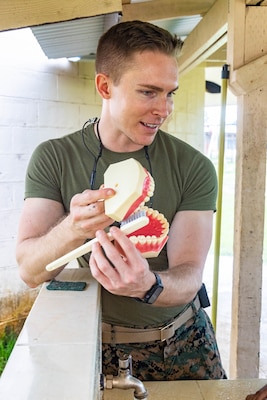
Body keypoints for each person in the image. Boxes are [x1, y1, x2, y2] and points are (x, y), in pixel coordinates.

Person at [16, 20, 226, 381]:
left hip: (183, 342)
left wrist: (148, 284)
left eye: (170, 93)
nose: (165, 109)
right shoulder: (54, 158)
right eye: (149, 92)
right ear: (105, 86)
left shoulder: (193, 166)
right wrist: (73, 227)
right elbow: (30, 271)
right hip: (96, 350)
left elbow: (190, 275)